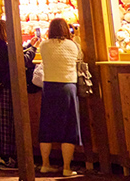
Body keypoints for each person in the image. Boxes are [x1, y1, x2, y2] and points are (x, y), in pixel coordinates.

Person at [0, 20, 39, 169]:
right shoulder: (4, 48)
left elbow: (14, 55)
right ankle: (7, 158)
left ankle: (2, 157)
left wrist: (28, 46)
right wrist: (33, 48)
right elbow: (20, 61)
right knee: (7, 125)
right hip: (5, 90)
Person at [38, 18, 83, 177]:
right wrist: (76, 37)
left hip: (49, 87)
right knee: (69, 127)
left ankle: (45, 165)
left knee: (46, 126)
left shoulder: (44, 45)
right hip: (67, 87)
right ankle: (66, 167)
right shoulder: (73, 45)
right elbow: (80, 57)